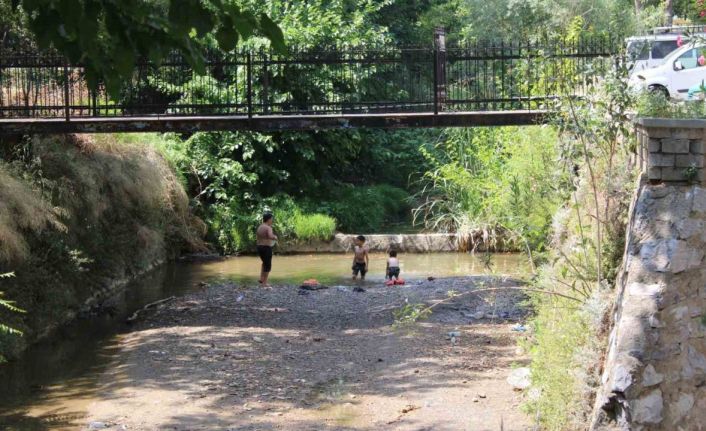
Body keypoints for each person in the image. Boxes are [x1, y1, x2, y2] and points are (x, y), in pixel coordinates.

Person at [256, 213, 277, 287]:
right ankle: (265, 283)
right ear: (268, 219)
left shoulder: (260, 227)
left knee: (264, 263)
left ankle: (261, 279)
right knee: (268, 265)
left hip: (259, 247)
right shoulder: (268, 228)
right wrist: (275, 237)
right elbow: (270, 236)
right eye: (272, 219)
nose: (272, 220)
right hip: (266, 248)